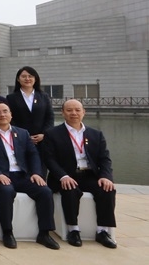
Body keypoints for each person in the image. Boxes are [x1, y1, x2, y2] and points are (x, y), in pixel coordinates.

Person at [0, 101, 59, 249]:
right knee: (6, 191)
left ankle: (45, 233)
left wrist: (36, 173)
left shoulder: (22, 133)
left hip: (22, 175)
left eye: (5, 111)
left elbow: (33, 154)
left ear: (11, 114)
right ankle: (7, 232)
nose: (2, 115)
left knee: (45, 191)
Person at [42, 99, 117, 249]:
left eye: (77, 110)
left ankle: (102, 231)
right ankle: (73, 230)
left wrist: (106, 176)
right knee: (70, 189)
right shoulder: (52, 134)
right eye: (69, 110)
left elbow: (104, 159)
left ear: (84, 112)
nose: (74, 113)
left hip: (89, 175)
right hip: (65, 176)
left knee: (107, 189)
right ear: (63, 113)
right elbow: (49, 159)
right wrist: (63, 176)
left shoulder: (96, 134)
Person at [6, 66, 54, 147]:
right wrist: (23, 135)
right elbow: (10, 119)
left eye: (30, 76)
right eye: (24, 76)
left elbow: (50, 116)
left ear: (35, 79)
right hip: (20, 140)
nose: (27, 79)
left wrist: (44, 134)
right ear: (18, 79)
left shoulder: (43, 96)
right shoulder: (11, 98)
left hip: (42, 140)